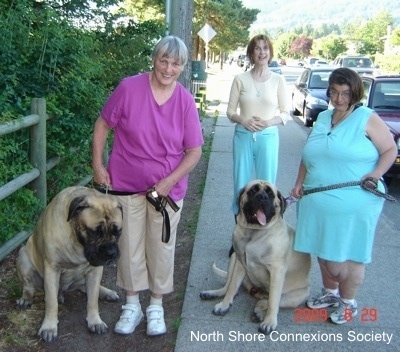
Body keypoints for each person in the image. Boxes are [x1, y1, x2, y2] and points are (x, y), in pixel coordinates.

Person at [92, 35, 203, 336]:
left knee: (161, 248)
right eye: (163, 60)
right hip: (126, 185)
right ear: (154, 59)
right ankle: (132, 304)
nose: (168, 68)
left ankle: (156, 305)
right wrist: (98, 164)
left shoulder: (184, 101)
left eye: (176, 63)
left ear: (183, 67)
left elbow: (194, 151)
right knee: (128, 247)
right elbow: (103, 124)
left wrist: (169, 181)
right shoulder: (129, 88)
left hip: (164, 192)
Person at [291, 68, 397, 325]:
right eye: (334, 92)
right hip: (316, 199)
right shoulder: (324, 117)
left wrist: (374, 175)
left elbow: (390, 150)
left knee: (347, 254)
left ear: (355, 94)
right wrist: (299, 183)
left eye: (345, 93)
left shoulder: (365, 117)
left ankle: (348, 303)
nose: (339, 98)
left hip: (355, 200)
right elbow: (310, 154)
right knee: (323, 248)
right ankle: (330, 294)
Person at [226, 34, 290, 216]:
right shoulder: (240, 79)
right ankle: (240, 232)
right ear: (251, 53)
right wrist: (243, 120)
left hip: (268, 138)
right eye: (257, 48)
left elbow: (286, 113)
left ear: (270, 52)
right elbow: (230, 112)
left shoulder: (279, 80)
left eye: (265, 48)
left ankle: (264, 233)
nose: (262, 52)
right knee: (241, 185)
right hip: (243, 137)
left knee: (267, 186)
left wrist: (268, 122)